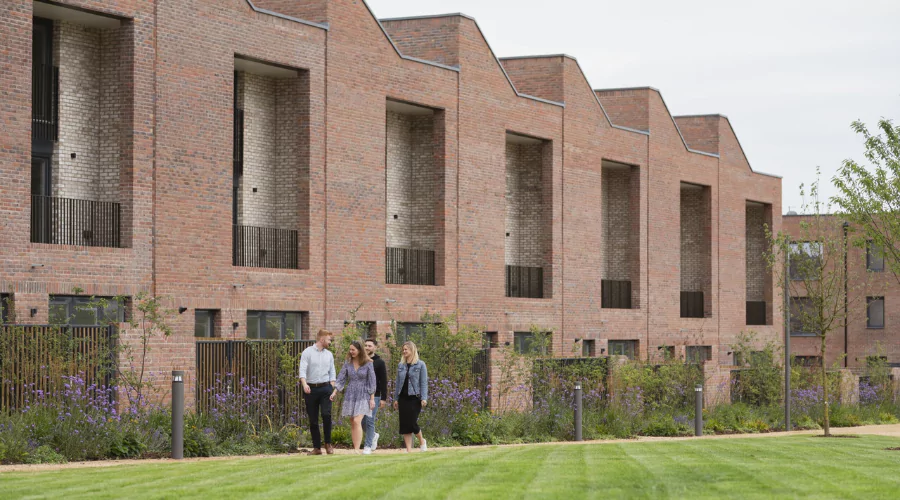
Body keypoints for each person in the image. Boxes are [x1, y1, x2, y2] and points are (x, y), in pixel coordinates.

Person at [332, 341, 376, 454]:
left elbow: (372, 382)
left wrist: (372, 398)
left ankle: (358, 449)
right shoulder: (348, 363)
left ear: (360, 350)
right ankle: (355, 448)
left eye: (353, 350)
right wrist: (335, 392)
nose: (351, 352)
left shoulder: (368, 363)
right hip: (351, 394)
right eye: (350, 350)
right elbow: (341, 378)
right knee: (352, 421)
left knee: (357, 420)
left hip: (363, 394)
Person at [299, 329, 337, 455]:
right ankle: (317, 448)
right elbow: (302, 370)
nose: (330, 342)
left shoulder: (329, 355)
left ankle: (328, 444)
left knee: (326, 415)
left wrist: (331, 386)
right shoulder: (307, 352)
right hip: (311, 389)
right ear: (322, 339)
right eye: (328, 340)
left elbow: (332, 372)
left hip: (326, 388)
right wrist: (304, 384)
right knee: (313, 419)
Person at [393, 341, 428, 452]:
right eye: (403, 350)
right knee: (404, 424)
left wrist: (424, 398)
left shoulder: (420, 364)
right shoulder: (401, 365)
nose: (404, 351)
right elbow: (398, 383)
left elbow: (423, 382)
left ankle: (422, 441)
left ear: (412, 350)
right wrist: (396, 399)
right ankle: (409, 450)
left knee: (412, 423)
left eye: (406, 349)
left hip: (414, 397)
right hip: (403, 397)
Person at [362, 338, 387, 455]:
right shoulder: (361, 360)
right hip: (361, 396)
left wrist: (383, 398)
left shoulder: (379, 362)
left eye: (369, 346)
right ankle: (374, 435)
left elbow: (383, 381)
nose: (367, 348)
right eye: (365, 345)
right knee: (361, 421)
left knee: (370, 420)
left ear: (375, 347)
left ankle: (367, 446)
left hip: (375, 396)